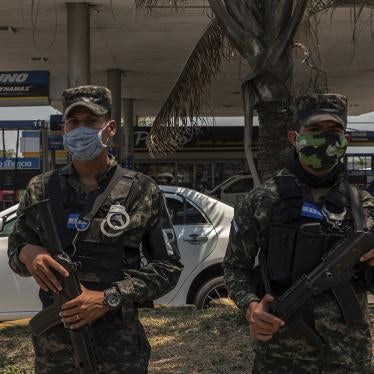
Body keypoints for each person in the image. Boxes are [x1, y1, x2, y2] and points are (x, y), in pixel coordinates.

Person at [7, 85, 183, 373]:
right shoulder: (41, 188)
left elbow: (168, 267)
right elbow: (16, 250)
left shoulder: (141, 190)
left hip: (120, 351)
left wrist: (109, 298)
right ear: (63, 129)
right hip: (55, 353)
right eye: (73, 122)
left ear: (110, 128)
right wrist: (28, 254)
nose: (81, 130)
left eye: (91, 122)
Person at [223, 94, 374, 373]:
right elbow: (234, 267)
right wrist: (250, 306)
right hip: (280, 357)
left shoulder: (364, 206)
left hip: (350, 358)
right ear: (294, 137)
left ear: (346, 140)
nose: (325, 139)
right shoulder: (262, 200)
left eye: (334, 131)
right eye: (315, 131)